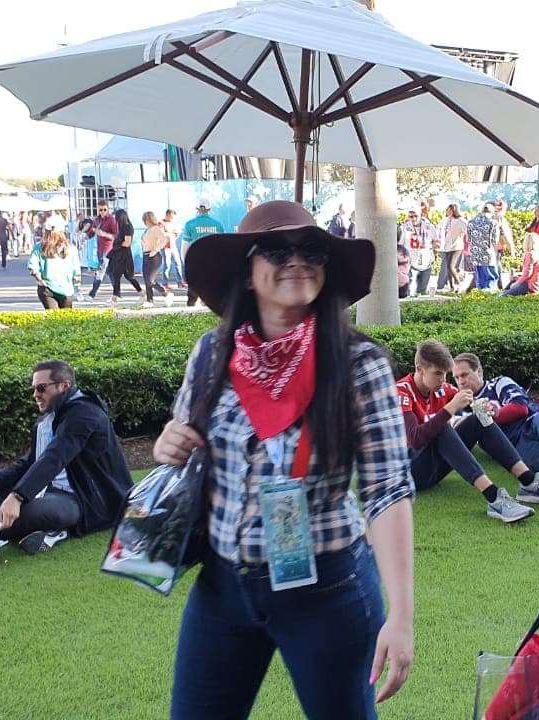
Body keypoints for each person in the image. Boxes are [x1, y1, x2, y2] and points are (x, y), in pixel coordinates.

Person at [153, 200, 414, 717]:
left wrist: (402, 615)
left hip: (327, 590)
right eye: (276, 249)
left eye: (311, 249)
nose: (297, 260)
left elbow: (387, 490)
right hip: (223, 587)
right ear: (247, 274)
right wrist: (168, 446)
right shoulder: (211, 354)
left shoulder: (360, 365)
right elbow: (184, 456)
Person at [0, 360, 132, 554]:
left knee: (22, 515)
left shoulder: (85, 414)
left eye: (41, 388)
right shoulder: (48, 420)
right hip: (50, 492)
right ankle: (29, 527)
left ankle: (52, 530)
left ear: (65, 386)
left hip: (85, 500)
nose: (36, 394)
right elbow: (29, 463)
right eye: (34, 389)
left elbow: (55, 457)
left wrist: (17, 496)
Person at [397, 339, 539, 522]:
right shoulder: (401, 392)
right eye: (437, 374)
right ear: (419, 369)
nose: (443, 380)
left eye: (445, 374)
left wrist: (484, 408)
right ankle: (494, 498)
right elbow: (415, 439)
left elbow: (473, 406)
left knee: (479, 418)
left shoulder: (441, 388)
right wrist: (450, 408)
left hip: (432, 469)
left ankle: (529, 483)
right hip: (408, 473)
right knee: (442, 428)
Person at [451, 352, 539, 488]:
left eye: (464, 375)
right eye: (456, 377)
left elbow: (520, 408)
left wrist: (491, 416)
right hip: (517, 445)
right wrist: (475, 421)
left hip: (534, 419)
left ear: (479, 372)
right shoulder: (459, 406)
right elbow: (458, 436)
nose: (460, 382)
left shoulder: (499, 383)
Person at [28, 229, 81, 310]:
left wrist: (40, 280)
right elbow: (76, 272)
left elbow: (32, 268)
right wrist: (77, 287)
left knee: (52, 317)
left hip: (47, 287)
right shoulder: (71, 248)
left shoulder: (39, 247)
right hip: (66, 289)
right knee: (66, 319)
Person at [105, 208, 143, 305]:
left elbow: (127, 243)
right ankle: (140, 293)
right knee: (119, 275)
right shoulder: (122, 227)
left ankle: (140, 293)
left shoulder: (127, 227)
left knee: (127, 276)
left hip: (123, 256)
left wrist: (118, 243)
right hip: (118, 255)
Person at [399, 209, 436, 296]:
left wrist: (429, 246)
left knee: (422, 290)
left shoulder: (429, 227)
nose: (414, 218)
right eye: (411, 216)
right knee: (407, 288)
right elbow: (400, 244)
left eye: (416, 216)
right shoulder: (404, 228)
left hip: (426, 260)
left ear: (421, 215)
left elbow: (436, 242)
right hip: (409, 261)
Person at [466, 202, 501, 291]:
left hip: (476, 253)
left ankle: (480, 291)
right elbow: (495, 240)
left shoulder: (471, 222)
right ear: (492, 212)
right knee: (490, 277)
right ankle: (490, 292)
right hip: (488, 253)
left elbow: (469, 239)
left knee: (479, 277)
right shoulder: (493, 223)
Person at [500, 232, 539, 296]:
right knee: (515, 280)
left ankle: (502, 294)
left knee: (507, 292)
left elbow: (527, 274)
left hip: (532, 286)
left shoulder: (530, 254)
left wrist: (516, 283)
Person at [88, 202, 119, 300]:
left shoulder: (111, 220)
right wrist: (86, 237)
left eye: (104, 209)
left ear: (108, 209)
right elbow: (93, 231)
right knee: (110, 272)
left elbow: (115, 236)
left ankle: (92, 294)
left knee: (100, 270)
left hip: (108, 248)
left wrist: (104, 234)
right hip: (99, 248)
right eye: (100, 210)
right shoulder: (96, 220)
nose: (102, 212)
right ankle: (117, 293)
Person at [139, 211, 171, 307]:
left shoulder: (156, 228)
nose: (146, 222)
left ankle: (165, 293)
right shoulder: (147, 230)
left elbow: (164, 239)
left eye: (147, 219)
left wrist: (155, 249)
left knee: (150, 279)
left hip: (154, 256)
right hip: (145, 255)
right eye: (145, 220)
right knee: (146, 279)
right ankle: (150, 300)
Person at [436, 203, 467, 292]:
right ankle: (452, 286)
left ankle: (458, 284)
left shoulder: (460, 220)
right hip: (447, 247)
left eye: (449, 210)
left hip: (456, 246)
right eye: (447, 210)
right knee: (448, 268)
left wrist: (463, 236)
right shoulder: (446, 220)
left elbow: (467, 228)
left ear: (454, 210)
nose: (447, 211)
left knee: (450, 266)